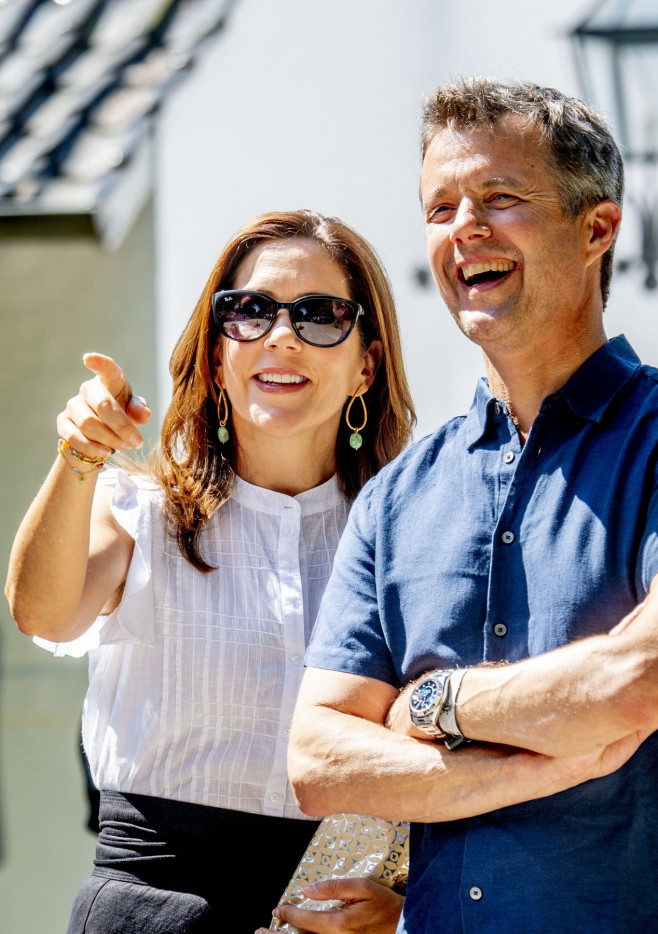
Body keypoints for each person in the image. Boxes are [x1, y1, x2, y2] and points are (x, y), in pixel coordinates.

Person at [287, 77, 658, 934]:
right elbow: (318, 759)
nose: (465, 230)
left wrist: (433, 705)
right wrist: (539, 761)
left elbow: (634, 682)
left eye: (500, 198)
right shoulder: (395, 497)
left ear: (597, 227)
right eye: (441, 207)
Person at [5, 210, 415, 933]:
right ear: (217, 352)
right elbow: (42, 611)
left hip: (339, 918)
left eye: (319, 315)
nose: (281, 334)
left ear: (366, 365)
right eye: (248, 311)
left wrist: (405, 907)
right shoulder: (137, 507)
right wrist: (77, 458)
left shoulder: (410, 537)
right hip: (153, 911)